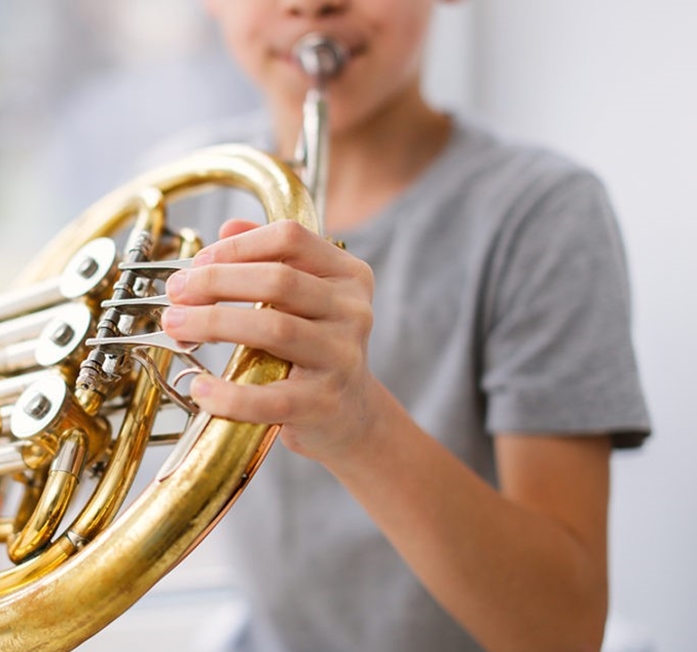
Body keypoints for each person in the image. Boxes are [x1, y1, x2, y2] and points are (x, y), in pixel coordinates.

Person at [152, 0, 652, 650]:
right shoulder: (174, 194)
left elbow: (565, 631)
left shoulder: (544, 215)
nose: (311, 4)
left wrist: (359, 424)